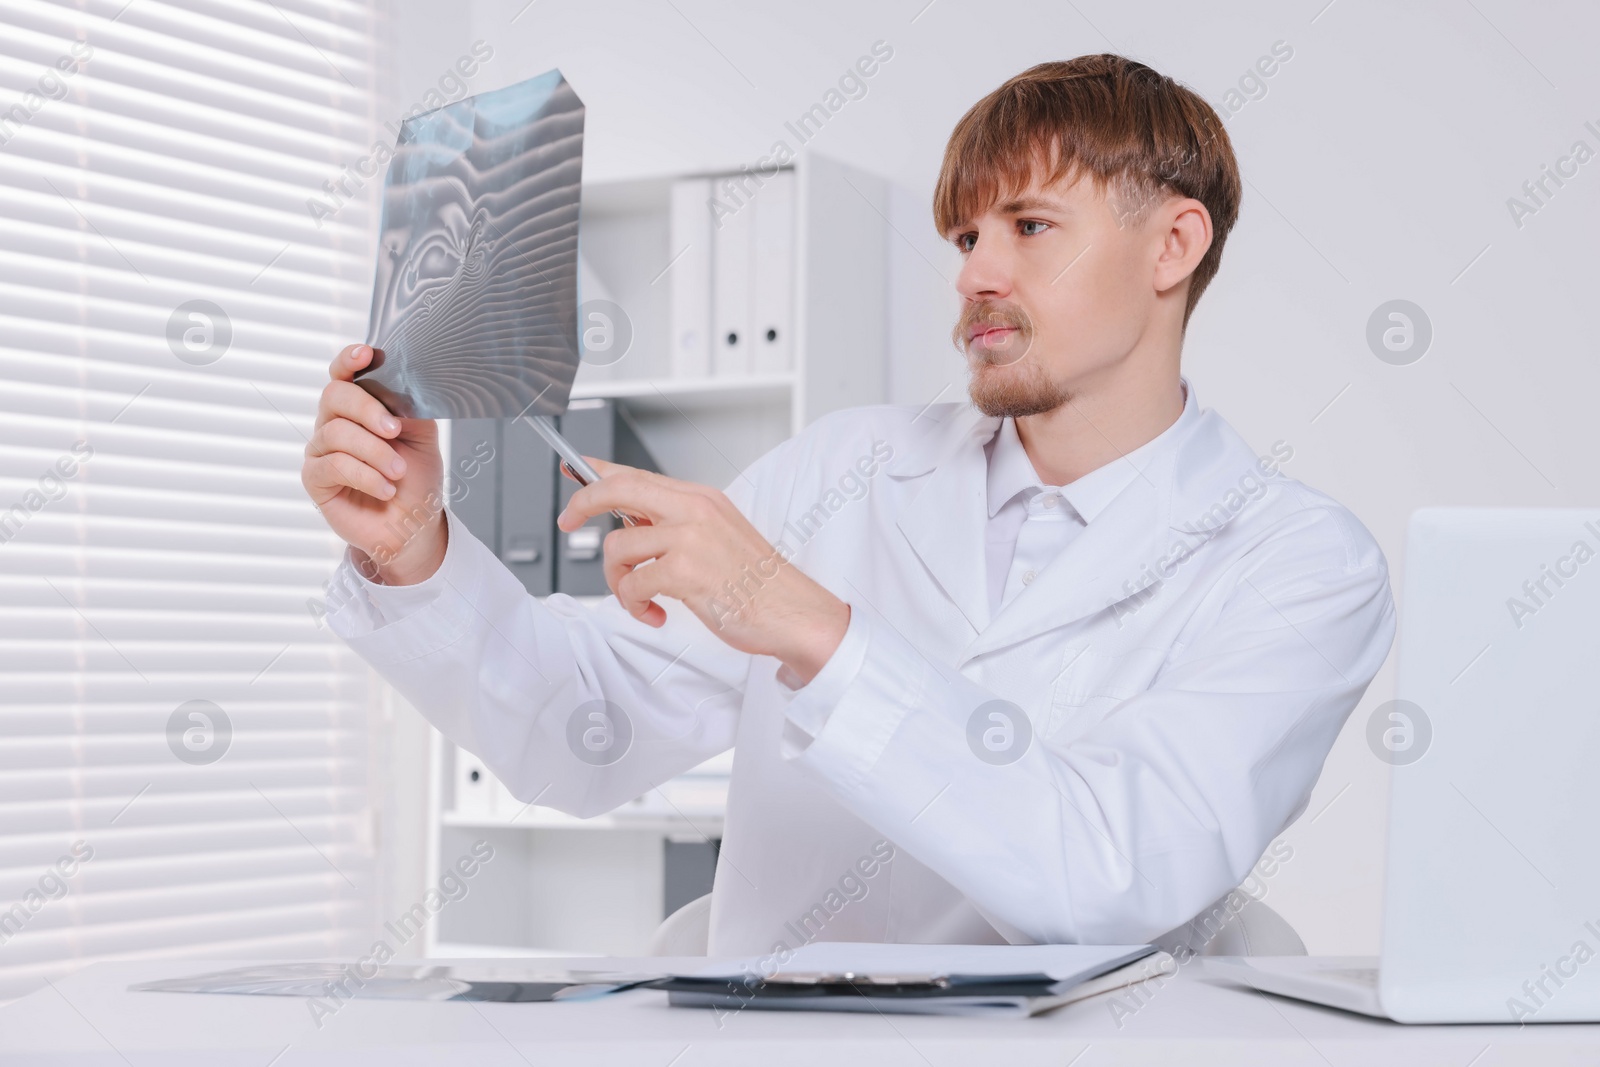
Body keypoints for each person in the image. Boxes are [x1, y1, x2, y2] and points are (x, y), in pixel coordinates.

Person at [302, 54, 1395, 955]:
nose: (974, 275)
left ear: (1174, 244)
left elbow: (1110, 875)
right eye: (966, 238)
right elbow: (583, 738)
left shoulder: (1297, 562)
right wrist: (414, 550)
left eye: (1028, 226)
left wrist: (813, 630)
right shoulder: (845, 465)